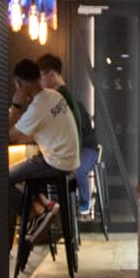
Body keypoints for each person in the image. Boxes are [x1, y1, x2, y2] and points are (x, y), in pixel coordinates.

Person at [8, 57, 80, 233]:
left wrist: (16, 105)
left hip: (57, 162)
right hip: (69, 160)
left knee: (2, 179)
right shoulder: (53, 95)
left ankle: (37, 213)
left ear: (19, 83)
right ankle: (46, 204)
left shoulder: (38, 106)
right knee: (25, 171)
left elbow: (11, 138)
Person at [36, 54, 99, 214]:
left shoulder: (64, 100)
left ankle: (82, 204)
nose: (40, 82)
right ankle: (58, 208)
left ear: (51, 74)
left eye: (41, 76)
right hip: (73, 151)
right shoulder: (62, 98)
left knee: (75, 170)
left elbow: (76, 132)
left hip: (87, 149)